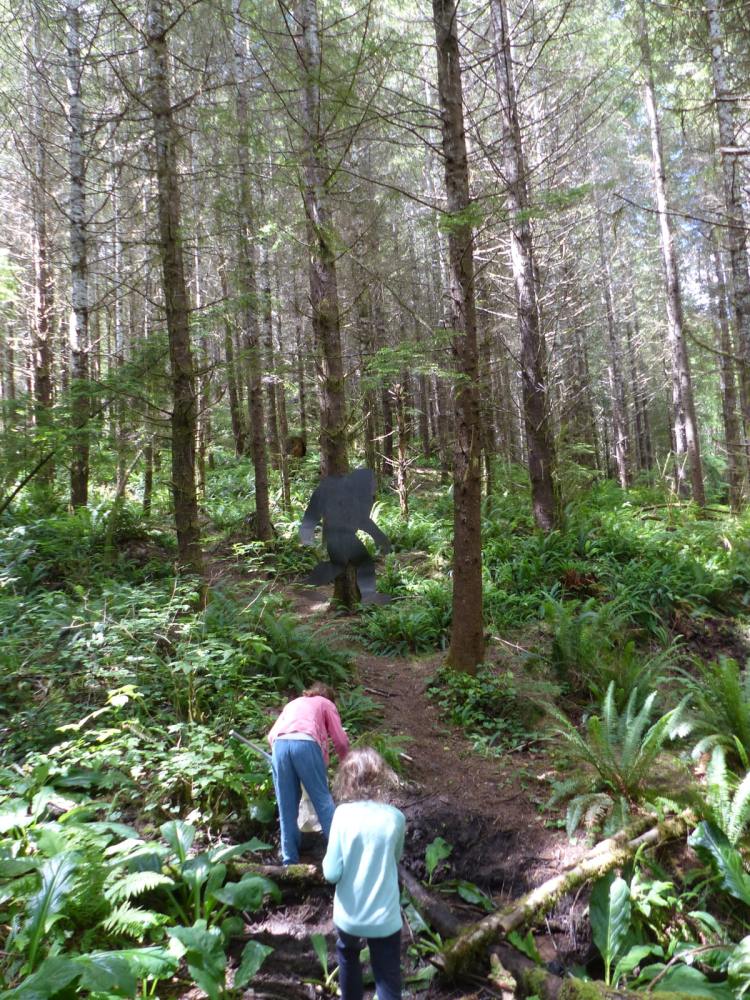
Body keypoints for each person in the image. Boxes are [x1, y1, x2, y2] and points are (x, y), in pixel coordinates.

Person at [323, 747, 405, 1000]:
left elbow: (331, 872)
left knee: (347, 956)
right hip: (385, 917)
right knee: (387, 972)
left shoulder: (342, 815)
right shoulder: (395, 818)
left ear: (347, 780)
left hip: (350, 916)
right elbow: (395, 859)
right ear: (381, 779)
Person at [267, 682, 349, 865]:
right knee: (323, 802)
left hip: (279, 746)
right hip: (305, 743)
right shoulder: (326, 703)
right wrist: (347, 764)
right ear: (329, 697)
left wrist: (280, 761)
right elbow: (341, 741)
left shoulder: (293, 704)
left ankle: (289, 861)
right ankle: (341, 856)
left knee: (286, 807)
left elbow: (271, 736)